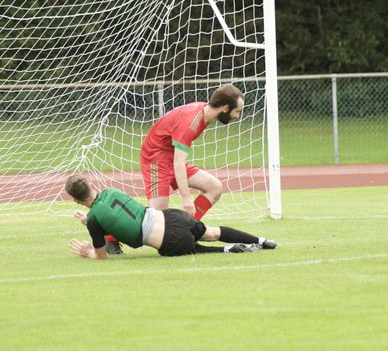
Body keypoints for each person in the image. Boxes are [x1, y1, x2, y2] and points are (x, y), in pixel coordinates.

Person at [64, 175, 276, 259]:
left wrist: (89, 253)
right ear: (92, 185)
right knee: (212, 232)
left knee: (194, 249)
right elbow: (120, 218)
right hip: (173, 217)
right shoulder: (111, 191)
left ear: (75, 200)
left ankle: (229, 249)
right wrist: (88, 221)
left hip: (169, 239)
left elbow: (102, 257)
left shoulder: (94, 220)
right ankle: (262, 241)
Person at [139, 83, 244, 219]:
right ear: (225, 108)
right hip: (155, 159)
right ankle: (112, 237)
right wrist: (186, 197)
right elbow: (179, 162)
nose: (237, 115)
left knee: (214, 187)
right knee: (157, 218)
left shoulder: (204, 111)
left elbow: (176, 160)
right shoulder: (190, 123)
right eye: (237, 111)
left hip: (170, 157)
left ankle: (188, 228)